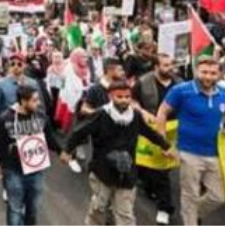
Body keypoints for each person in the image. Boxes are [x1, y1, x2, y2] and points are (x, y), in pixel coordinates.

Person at [62, 80, 171, 226]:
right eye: (119, 97)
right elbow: (79, 132)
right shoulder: (101, 114)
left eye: (127, 97)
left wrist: (165, 146)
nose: (124, 100)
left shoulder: (136, 116)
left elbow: (149, 132)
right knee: (99, 208)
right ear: (111, 96)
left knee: (125, 212)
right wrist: (67, 150)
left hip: (127, 173)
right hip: (102, 171)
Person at [155, 56, 225, 226]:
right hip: (188, 152)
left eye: (213, 73)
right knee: (190, 194)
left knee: (219, 196)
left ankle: (192, 214)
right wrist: (163, 142)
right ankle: (190, 221)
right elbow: (162, 112)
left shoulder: (224, 94)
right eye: (204, 72)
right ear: (196, 71)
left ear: (219, 74)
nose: (208, 77)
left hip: (215, 153)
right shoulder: (181, 90)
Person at [0, 85, 60, 226]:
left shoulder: (41, 117)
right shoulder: (6, 119)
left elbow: (50, 138)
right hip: (13, 171)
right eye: (34, 101)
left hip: (36, 171)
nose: (38, 103)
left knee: (33, 208)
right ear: (23, 101)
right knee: (15, 209)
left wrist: (61, 152)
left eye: (37, 100)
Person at [132, 53, 181, 226]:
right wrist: (142, 112)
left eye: (171, 65)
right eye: (166, 65)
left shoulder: (179, 83)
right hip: (149, 130)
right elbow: (132, 101)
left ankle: (164, 208)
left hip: (172, 130)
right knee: (148, 166)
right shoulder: (143, 82)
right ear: (156, 67)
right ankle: (148, 185)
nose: (170, 68)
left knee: (162, 170)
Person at [0, 54, 41, 121]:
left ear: (25, 65)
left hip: (29, 122)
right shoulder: (1, 84)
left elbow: (40, 105)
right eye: (13, 64)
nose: (16, 66)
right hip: (8, 123)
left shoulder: (33, 83)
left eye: (19, 64)